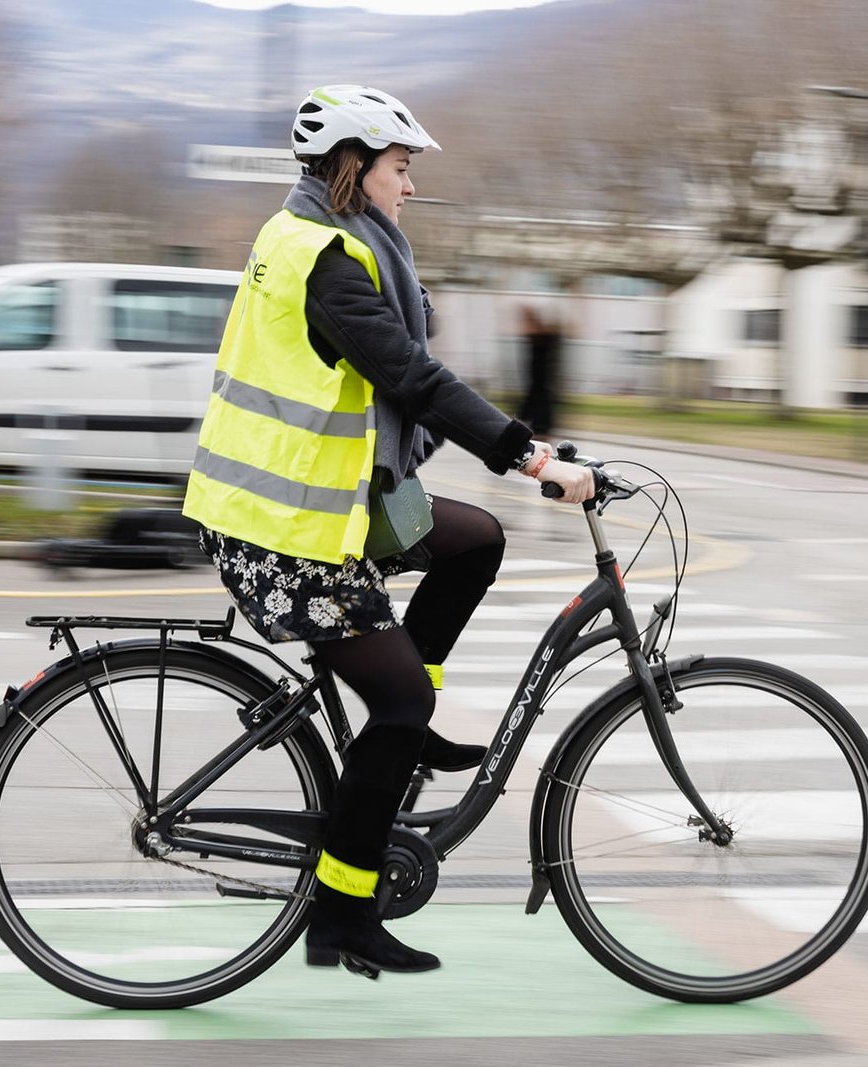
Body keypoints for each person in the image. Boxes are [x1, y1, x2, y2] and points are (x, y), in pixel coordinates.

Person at [182, 84, 595, 977]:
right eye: (400, 168)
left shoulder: (306, 231)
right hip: (283, 531)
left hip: (313, 505)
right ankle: (342, 914)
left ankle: (406, 733)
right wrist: (529, 456)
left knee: (475, 541)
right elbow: (410, 375)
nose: (409, 186)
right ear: (354, 166)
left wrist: (520, 446)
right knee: (402, 703)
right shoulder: (329, 261)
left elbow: (401, 384)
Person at [516, 304, 562, 439]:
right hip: (538, 388)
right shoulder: (541, 340)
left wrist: (528, 314)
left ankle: (540, 437)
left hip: (540, 389)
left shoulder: (544, 340)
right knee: (533, 416)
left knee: (536, 418)